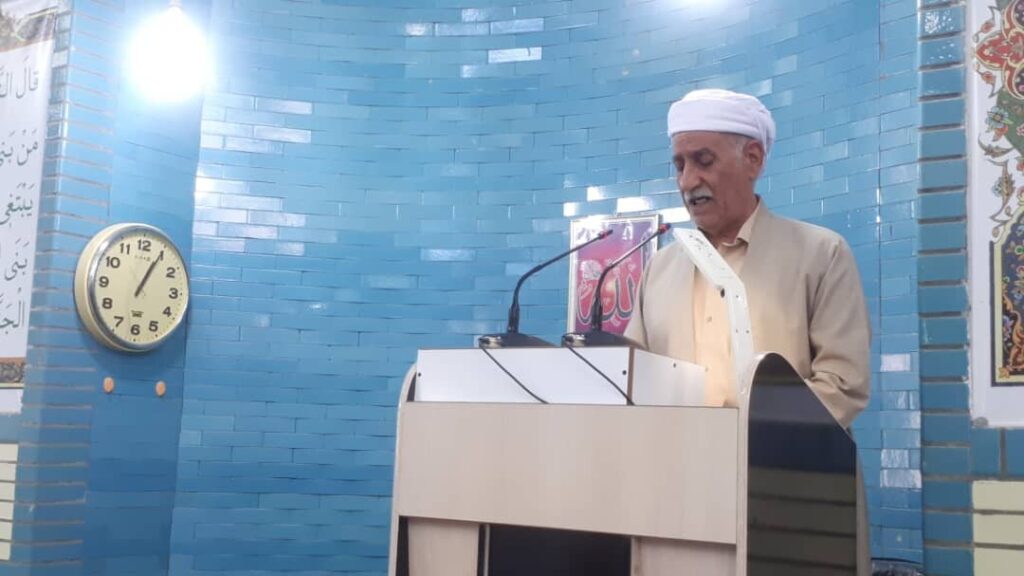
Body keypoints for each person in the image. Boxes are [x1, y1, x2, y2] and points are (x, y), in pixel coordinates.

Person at [624, 88, 870, 429]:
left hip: (781, 460)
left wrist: (744, 438)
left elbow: (842, 385)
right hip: (677, 457)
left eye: (704, 161)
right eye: (679, 166)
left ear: (753, 158)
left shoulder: (820, 254)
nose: (687, 181)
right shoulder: (659, 269)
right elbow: (632, 379)